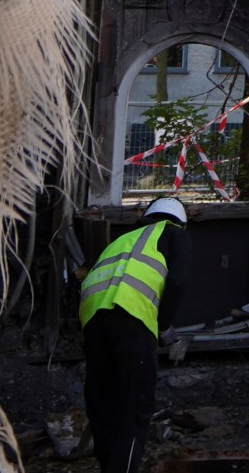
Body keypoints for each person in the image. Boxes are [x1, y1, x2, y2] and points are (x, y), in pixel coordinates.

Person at [80, 196, 193, 473]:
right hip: (133, 320)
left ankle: (109, 467)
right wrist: (164, 326)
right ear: (180, 221)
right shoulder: (174, 234)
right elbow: (177, 282)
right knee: (133, 406)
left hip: (93, 320)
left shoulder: (124, 239)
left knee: (103, 402)